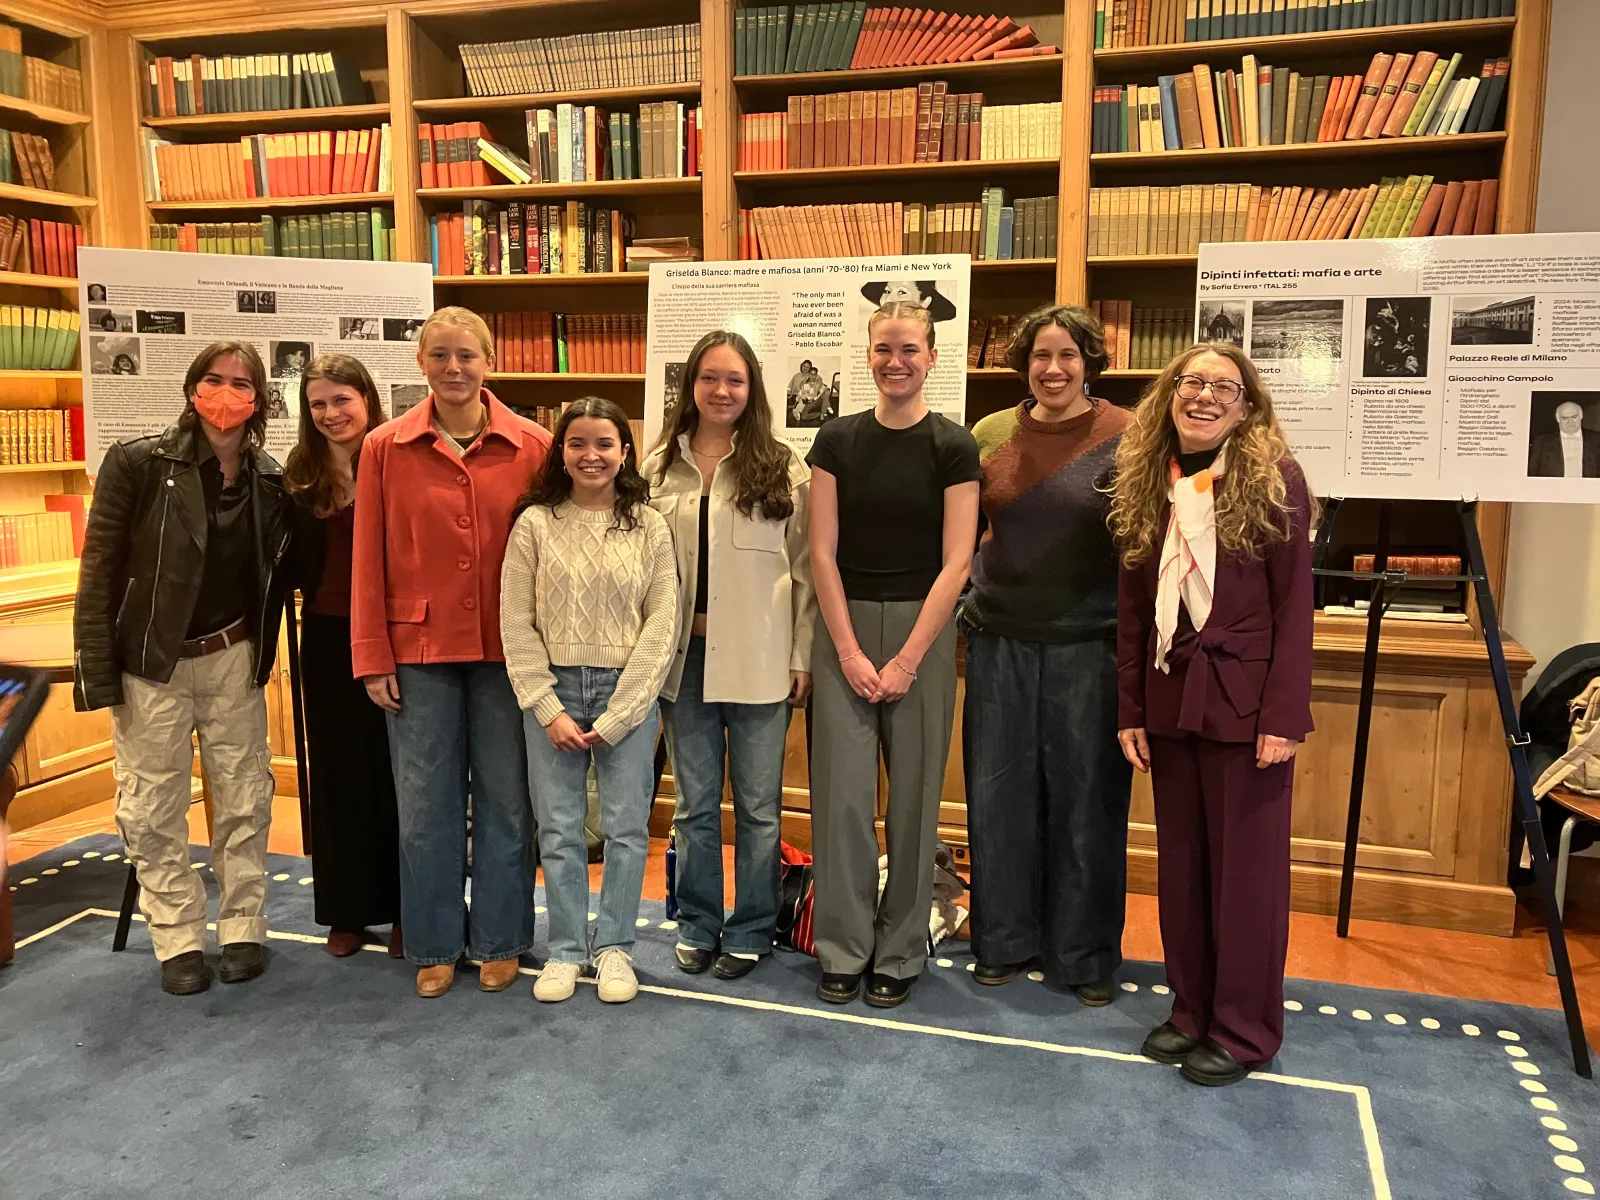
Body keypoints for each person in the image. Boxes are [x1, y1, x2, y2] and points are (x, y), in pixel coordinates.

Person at [1111, 341, 1315, 1087]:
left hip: (1246, 704)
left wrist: (1284, 716)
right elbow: (1133, 610)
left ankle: (1245, 1029)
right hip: (1171, 699)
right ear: (1170, 393)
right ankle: (1191, 1009)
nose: (1203, 396)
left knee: (1247, 879)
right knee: (1184, 870)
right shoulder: (1145, 482)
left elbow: (1296, 608)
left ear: (1246, 406)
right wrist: (1131, 706)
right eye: (1191, 382)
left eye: (1222, 388)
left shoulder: (1274, 479)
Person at [73, 340, 294, 996]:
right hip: (152, 663)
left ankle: (244, 925)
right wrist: (97, 670)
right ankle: (175, 936)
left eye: (242, 383)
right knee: (153, 804)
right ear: (193, 387)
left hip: (231, 657)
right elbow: (99, 571)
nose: (226, 394)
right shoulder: (137, 464)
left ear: (259, 399)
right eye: (214, 380)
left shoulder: (269, 479)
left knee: (245, 796)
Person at [351, 307, 552, 999]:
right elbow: (367, 555)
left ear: (489, 360)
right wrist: (371, 653)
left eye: (466, 355)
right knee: (425, 805)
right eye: (440, 355)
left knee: (506, 801)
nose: (454, 368)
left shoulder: (533, 444)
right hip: (417, 649)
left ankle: (500, 938)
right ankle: (435, 941)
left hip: (508, 651)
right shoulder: (383, 447)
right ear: (421, 364)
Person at [807, 301, 980, 1008]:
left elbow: (959, 560)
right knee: (842, 803)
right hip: (842, 628)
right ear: (868, 356)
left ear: (932, 357)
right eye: (884, 349)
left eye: (910, 349)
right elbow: (821, 550)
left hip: (924, 635)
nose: (896, 361)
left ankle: (902, 948)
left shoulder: (954, 445)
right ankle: (843, 947)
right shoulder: (837, 440)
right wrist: (847, 650)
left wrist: (908, 658)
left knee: (912, 801)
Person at [961, 305, 1134, 1004]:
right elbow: (966, 533)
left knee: (1087, 805)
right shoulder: (991, 434)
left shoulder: (1130, 434)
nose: (1053, 368)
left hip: (1091, 648)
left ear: (1089, 360)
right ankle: (1002, 940)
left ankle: (1084, 956)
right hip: (998, 640)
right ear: (1022, 362)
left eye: (1067, 354)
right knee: (997, 798)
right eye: (1040, 355)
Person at [643, 331, 814, 980]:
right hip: (682, 664)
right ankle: (698, 922)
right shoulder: (659, 468)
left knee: (761, 807)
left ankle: (750, 929)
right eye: (709, 378)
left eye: (735, 380)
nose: (721, 391)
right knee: (693, 805)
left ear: (753, 390)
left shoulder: (784, 467)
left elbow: (804, 572)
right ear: (691, 385)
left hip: (762, 663)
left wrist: (802, 656)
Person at [502, 397, 677, 1005]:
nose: (591, 455)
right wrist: (545, 706)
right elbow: (515, 621)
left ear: (624, 452)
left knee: (628, 829)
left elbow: (662, 623)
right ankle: (568, 949)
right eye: (577, 443)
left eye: (604, 443)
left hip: (626, 690)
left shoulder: (649, 525)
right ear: (562, 452)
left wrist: (622, 712)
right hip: (551, 687)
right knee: (558, 828)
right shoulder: (535, 524)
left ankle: (615, 949)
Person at [282, 353, 401, 959]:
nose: (331, 413)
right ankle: (346, 910)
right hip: (326, 637)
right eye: (318, 404)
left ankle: (410, 906)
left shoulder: (396, 460)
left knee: (397, 774)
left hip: (394, 636)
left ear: (367, 400)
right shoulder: (298, 475)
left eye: (341, 400)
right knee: (337, 775)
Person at [1529, 400, 1600, 479]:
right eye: (1565, 418)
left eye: (1574, 417)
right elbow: (1532, 473)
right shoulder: (1541, 442)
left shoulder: (1597, 439)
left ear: (1581, 416)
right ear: (1558, 419)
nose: (1570, 422)